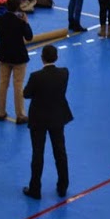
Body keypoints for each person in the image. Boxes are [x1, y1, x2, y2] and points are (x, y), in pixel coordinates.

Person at [21, 44, 73, 199]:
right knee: (60, 152)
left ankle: (35, 189)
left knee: (38, 154)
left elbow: (26, 94)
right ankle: (63, 187)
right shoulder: (64, 73)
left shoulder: (36, 76)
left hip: (39, 119)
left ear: (42, 58)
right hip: (57, 117)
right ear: (56, 57)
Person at [0, 0, 33, 123]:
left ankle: (1, 112)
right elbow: (29, 37)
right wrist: (26, 22)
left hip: (4, 55)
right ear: (18, 7)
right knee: (18, 86)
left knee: (3, 84)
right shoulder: (20, 22)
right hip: (18, 57)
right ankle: (20, 115)